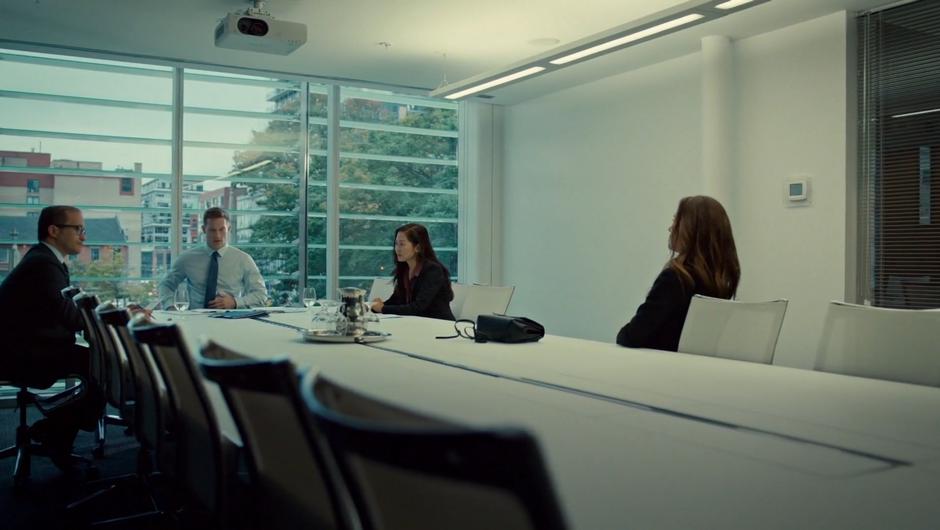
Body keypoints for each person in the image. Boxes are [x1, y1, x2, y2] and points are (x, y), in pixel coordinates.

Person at [0, 205, 105, 469]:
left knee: (97, 361)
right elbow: (70, 316)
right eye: (78, 229)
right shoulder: (43, 265)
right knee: (103, 364)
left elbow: (65, 311)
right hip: (21, 354)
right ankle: (53, 431)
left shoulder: (45, 260)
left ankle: (55, 432)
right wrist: (113, 321)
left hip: (29, 346)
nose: (84, 236)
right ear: (53, 231)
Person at [616, 195, 741, 351]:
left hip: (662, 368)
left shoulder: (674, 279)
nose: (671, 228)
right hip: (691, 368)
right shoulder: (721, 283)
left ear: (692, 230)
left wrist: (622, 333)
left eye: (676, 221)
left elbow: (631, 336)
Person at [158, 207, 269, 309]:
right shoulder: (187, 259)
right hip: (195, 320)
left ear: (229, 229)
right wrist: (170, 306)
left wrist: (235, 302)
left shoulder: (243, 259)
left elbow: (261, 295)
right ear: (204, 229)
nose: (217, 235)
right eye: (212, 230)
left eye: (222, 229)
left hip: (232, 320)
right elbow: (166, 285)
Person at [370, 223, 455, 321]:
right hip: (418, 324)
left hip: (440, 326)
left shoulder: (433, 270)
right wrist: (378, 306)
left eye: (402, 244)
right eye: (396, 243)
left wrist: (383, 308)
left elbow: (418, 307)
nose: (397, 248)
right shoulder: (404, 269)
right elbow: (397, 300)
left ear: (417, 248)